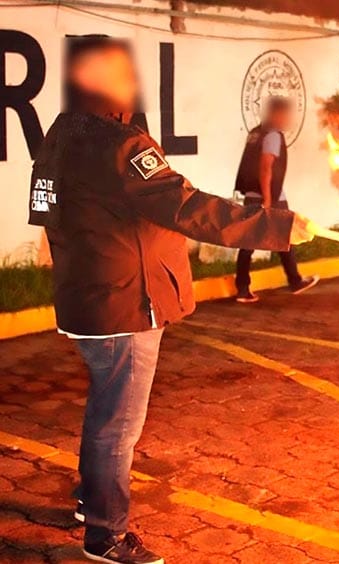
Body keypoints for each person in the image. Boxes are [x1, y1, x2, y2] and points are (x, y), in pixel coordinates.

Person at [28, 36, 313, 564]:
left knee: (104, 409)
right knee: (118, 425)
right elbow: (186, 208)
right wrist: (278, 226)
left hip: (86, 299)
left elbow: (47, 215)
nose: (132, 83)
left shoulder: (61, 135)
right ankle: (106, 535)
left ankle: (92, 501)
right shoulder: (121, 146)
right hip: (126, 305)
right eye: (120, 74)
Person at [234, 98, 319, 302]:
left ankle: (246, 288)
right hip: (268, 198)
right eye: (285, 115)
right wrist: (269, 200)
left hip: (253, 196)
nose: (287, 120)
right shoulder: (272, 135)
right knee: (280, 238)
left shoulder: (256, 132)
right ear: (276, 114)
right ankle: (292, 281)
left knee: (255, 241)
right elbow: (265, 167)